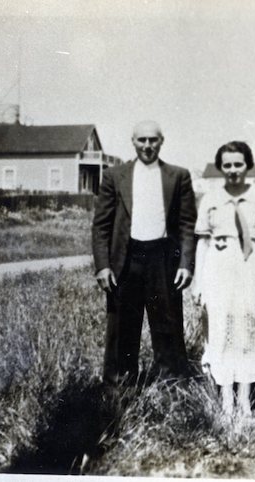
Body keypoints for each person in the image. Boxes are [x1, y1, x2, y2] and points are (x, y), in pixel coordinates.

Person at [92, 120, 196, 385]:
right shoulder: (115, 176)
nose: (147, 146)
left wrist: (186, 263)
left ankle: (172, 386)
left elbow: (186, 224)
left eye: (153, 140)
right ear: (133, 141)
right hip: (126, 259)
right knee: (122, 327)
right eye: (142, 140)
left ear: (161, 141)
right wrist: (103, 266)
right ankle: (120, 387)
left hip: (163, 258)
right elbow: (101, 225)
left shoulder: (178, 176)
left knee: (168, 325)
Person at [193, 141, 255, 414]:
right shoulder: (211, 198)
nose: (233, 170)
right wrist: (198, 281)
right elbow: (202, 242)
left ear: (248, 166)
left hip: (250, 266)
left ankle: (244, 396)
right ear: (220, 168)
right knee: (219, 328)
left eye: (238, 164)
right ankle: (226, 396)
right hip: (218, 267)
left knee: (246, 329)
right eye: (227, 165)